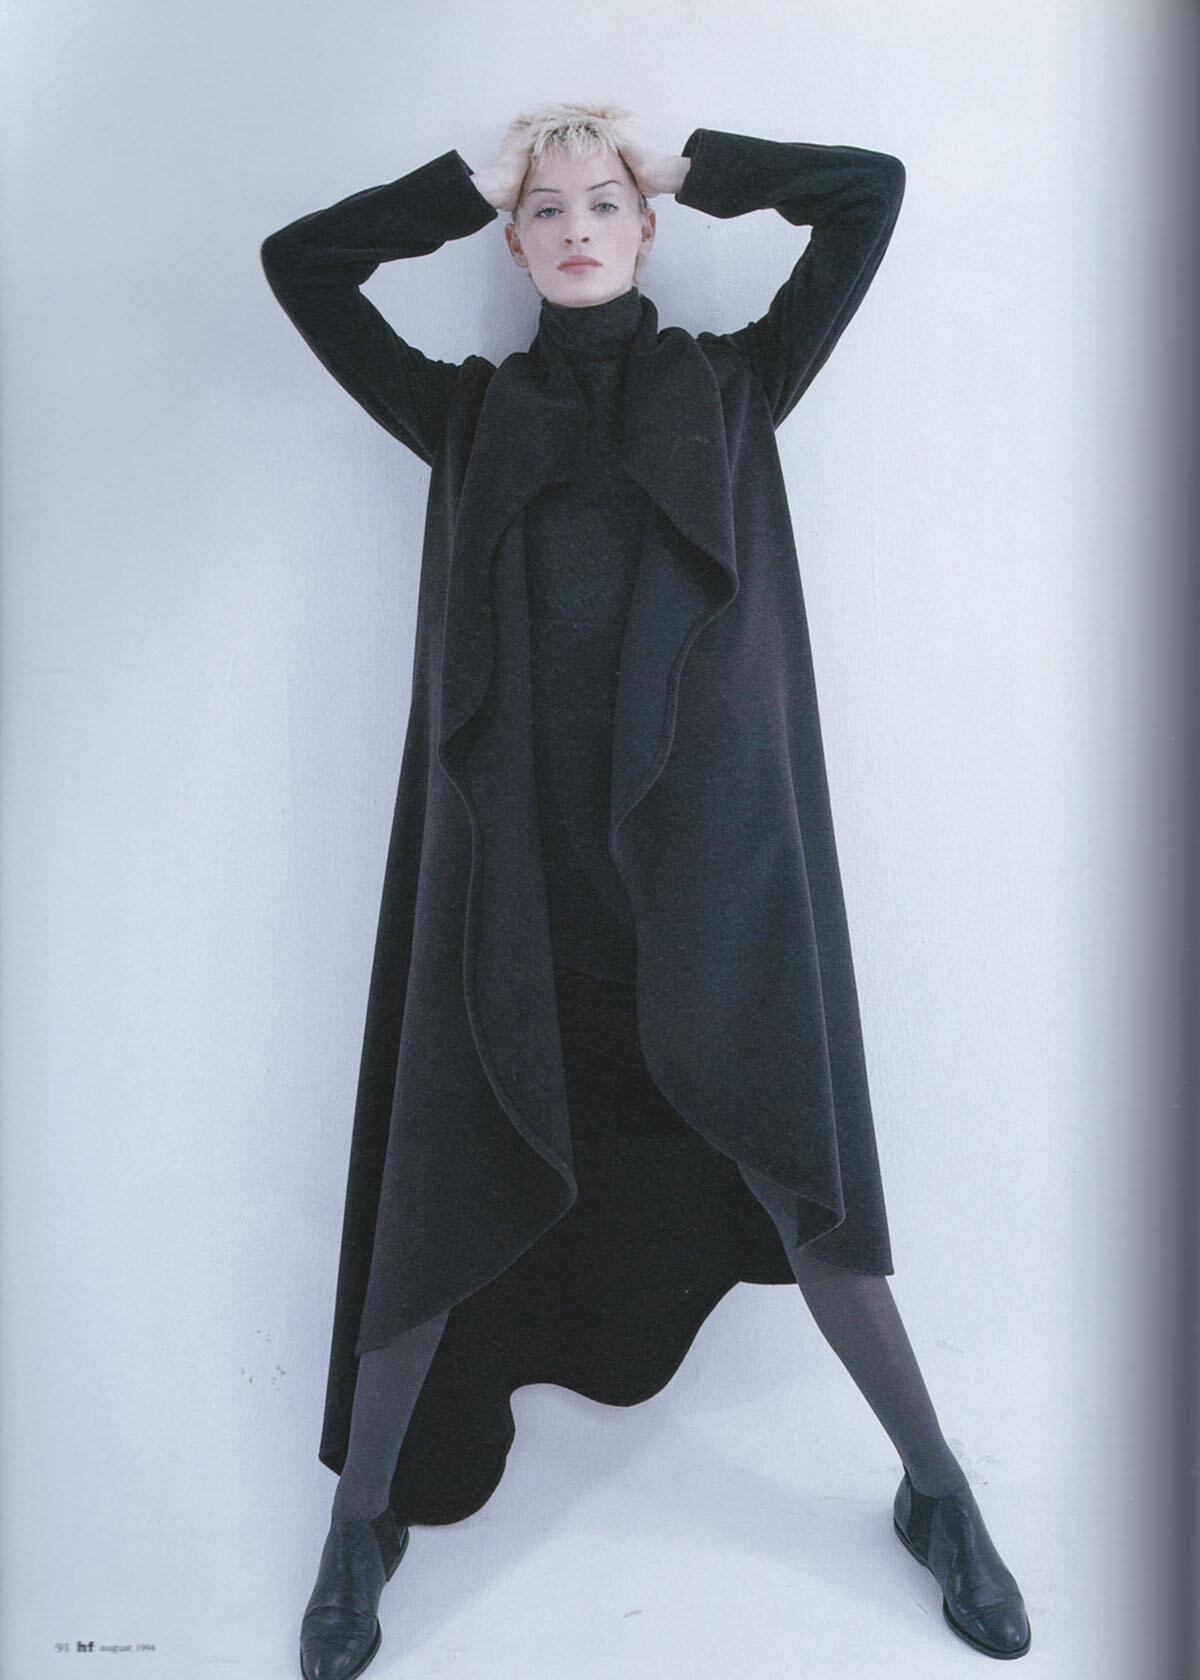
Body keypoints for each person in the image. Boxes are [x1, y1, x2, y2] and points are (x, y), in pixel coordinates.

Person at [262, 102, 1031, 1680]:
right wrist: (472, 181)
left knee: (812, 1197)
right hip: (519, 906)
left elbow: (866, 196)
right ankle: (361, 1526)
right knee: (441, 1193)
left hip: (708, 897)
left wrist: (685, 160)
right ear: (513, 240)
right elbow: (302, 265)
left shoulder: (736, 387)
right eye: (544, 213)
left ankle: (938, 1491)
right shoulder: (467, 415)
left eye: (603, 204)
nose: (575, 231)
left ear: (647, 225)